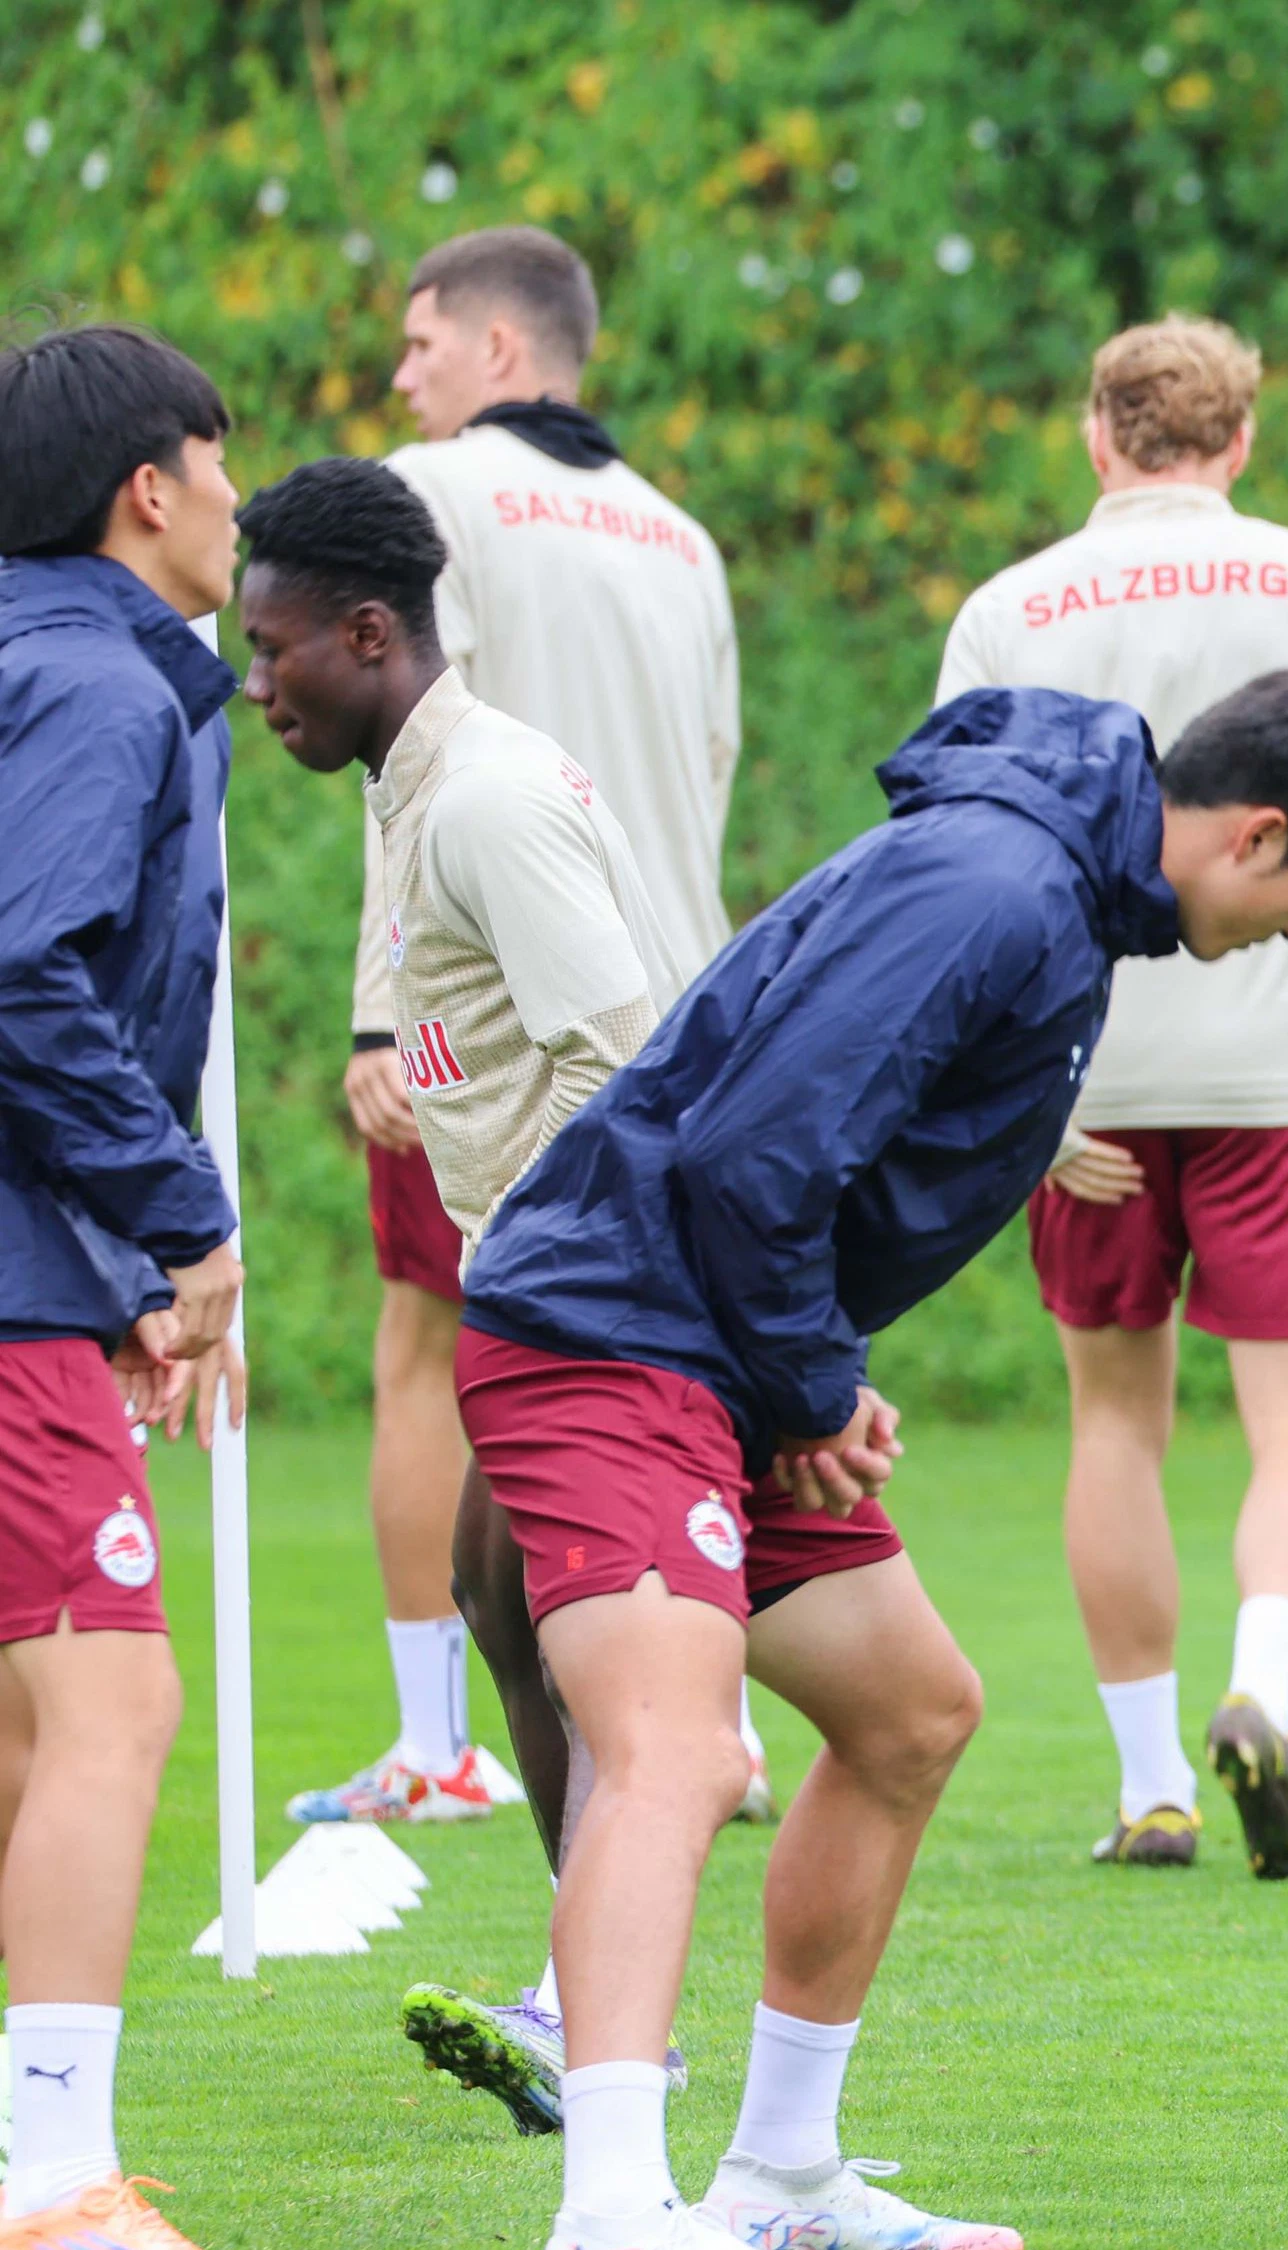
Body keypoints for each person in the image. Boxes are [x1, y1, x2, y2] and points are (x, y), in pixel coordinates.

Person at [456, 668, 1288, 2250]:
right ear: (1258, 835)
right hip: (611, 1334)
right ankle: (616, 2210)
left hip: (715, 1354)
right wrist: (818, 1378)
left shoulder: (1060, 888)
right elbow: (750, 1148)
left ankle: (779, 2178)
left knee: (911, 1710)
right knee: (680, 1749)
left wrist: (811, 1380)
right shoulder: (1000, 884)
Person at [933, 318, 1288, 1881]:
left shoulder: (1011, 604)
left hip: (1087, 1070)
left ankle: (1150, 1789)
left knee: (1113, 1420)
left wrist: (1007, 1101)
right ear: (1243, 441)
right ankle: (1261, 1686)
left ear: (1096, 438)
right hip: (1279, 1073)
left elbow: (956, 852)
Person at [227, 455, 703, 2131]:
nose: (255, 682)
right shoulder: (410, 783)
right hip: (547, 1281)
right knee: (495, 1591)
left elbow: (623, 1053)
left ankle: (614, 2020)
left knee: (632, 1650)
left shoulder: (489, 796)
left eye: (276, 649)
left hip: (589, 1294)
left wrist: (549, 1261)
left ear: (370, 631)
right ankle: (588, 1991)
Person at [300, 223, 757, 1832]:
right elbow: (708, 768)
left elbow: (405, 762)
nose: (400, 374)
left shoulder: (430, 494)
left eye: (422, 342)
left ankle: (441, 1741)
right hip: (682, 1014)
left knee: (431, 1355)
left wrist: (388, 1027)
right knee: (678, 1365)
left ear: (501, 351)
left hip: (498, 1013)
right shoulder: (682, 537)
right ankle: (713, 1714)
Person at [0, 322, 250, 2250]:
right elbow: (25, 976)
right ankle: (52, 2177)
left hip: (37, 1275)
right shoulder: (93, 686)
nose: (243, 510)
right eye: (224, 469)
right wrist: (180, 1219)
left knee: (32, 1715)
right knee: (114, 1701)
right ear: (148, 488)